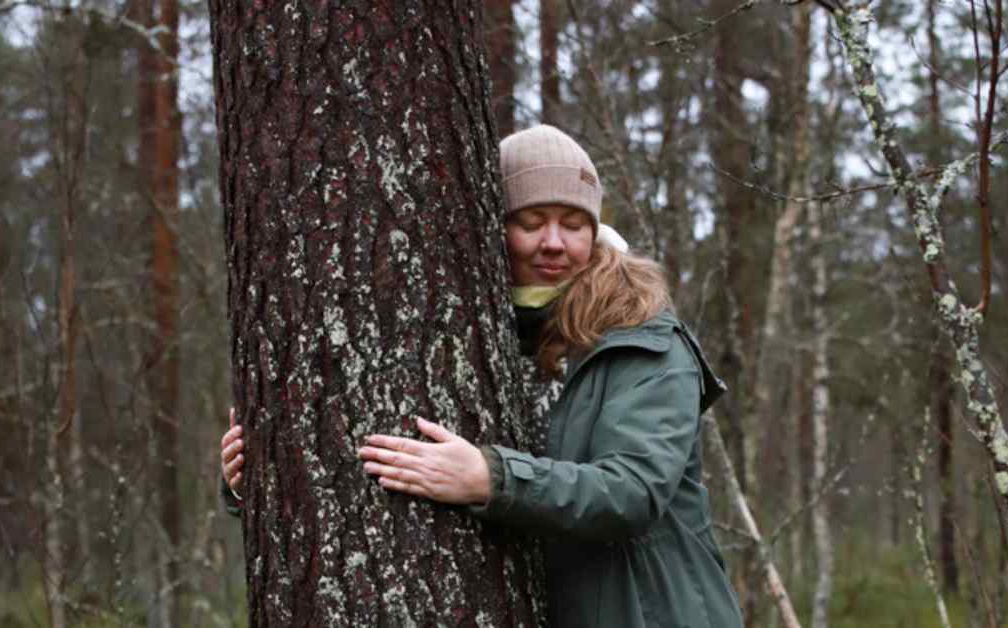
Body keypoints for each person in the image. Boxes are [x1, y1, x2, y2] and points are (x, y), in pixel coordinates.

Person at [220, 125, 744, 627]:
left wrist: (490, 479)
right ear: (493, 225)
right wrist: (266, 477)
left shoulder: (642, 341)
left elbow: (633, 492)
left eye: (574, 223)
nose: (554, 242)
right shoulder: (474, 332)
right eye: (532, 220)